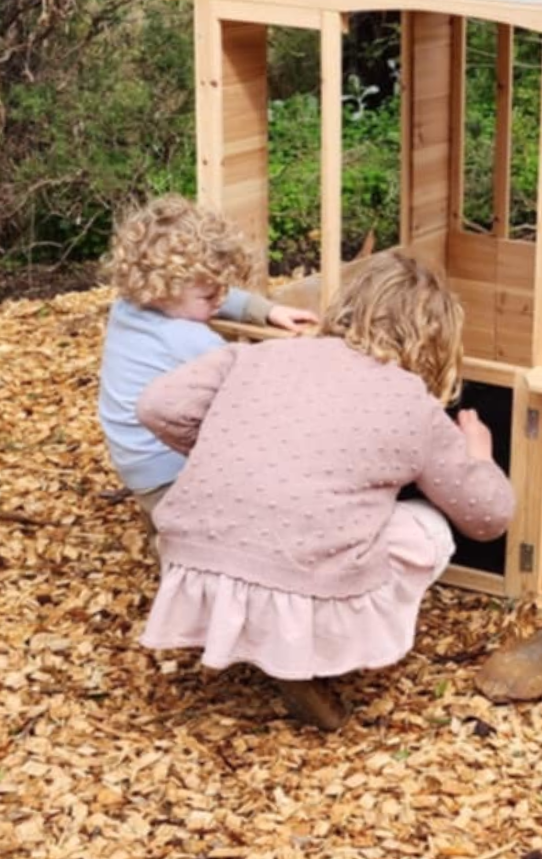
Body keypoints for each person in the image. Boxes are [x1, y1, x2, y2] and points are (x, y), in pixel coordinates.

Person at [134, 250, 515, 729]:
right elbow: (487, 516)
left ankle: (240, 632)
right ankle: (312, 651)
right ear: (435, 340)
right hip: (303, 584)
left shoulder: (257, 354)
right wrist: (479, 455)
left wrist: (228, 445)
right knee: (430, 528)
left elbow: (156, 404)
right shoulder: (412, 405)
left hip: (192, 560)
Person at [96, 195, 318, 523]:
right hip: (174, 476)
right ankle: (186, 544)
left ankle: (166, 526)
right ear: (163, 290)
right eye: (210, 296)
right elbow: (258, 384)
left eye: (221, 292)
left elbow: (209, 297)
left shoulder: (128, 307)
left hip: (140, 468)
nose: (220, 301)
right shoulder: (188, 339)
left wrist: (266, 311)